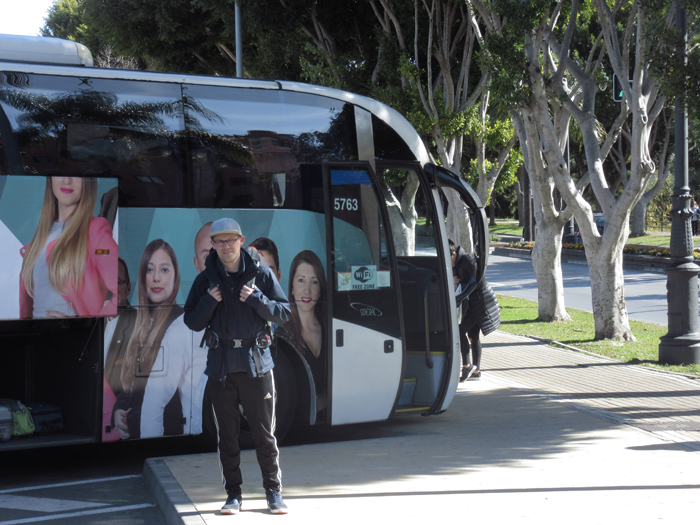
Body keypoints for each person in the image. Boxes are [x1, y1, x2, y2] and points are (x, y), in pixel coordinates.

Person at [184, 218, 291, 515]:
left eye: (230, 240)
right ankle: (233, 496)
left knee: (264, 435)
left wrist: (257, 299)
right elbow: (191, 321)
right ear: (213, 246)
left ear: (241, 241)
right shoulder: (206, 280)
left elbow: (284, 313)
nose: (225, 246)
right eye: (219, 242)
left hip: (257, 367)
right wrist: (208, 302)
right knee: (227, 437)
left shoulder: (261, 274)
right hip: (221, 370)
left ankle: (274, 493)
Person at [111, 239, 194, 439]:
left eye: (164, 270)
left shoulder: (181, 322)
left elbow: (169, 397)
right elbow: (131, 384)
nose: (156, 278)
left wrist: (134, 419)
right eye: (150, 270)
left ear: (176, 277)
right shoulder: (138, 323)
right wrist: (119, 409)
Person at [19, 176, 118, 319]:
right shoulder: (42, 232)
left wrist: (84, 327)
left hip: (70, 339)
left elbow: (120, 291)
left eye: (76, 175)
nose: (67, 180)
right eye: (60, 174)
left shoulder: (95, 230)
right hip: (35, 336)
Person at [276, 251, 326, 410]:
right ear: (291, 288)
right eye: (301, 281)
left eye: (314, 282)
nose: (307, 291)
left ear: (320, 289)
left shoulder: (332, 329)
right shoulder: (282, 334)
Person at [450, 241, 500, 382]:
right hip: (473, 302)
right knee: (473, 335)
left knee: (460, 331)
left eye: (449, 259)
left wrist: (456, 285)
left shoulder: (468, 260)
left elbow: (475, 282)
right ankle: (476, 370)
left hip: (480, 302)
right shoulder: (457, 262)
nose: (449, 264)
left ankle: (467, 366)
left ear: (454, 254)